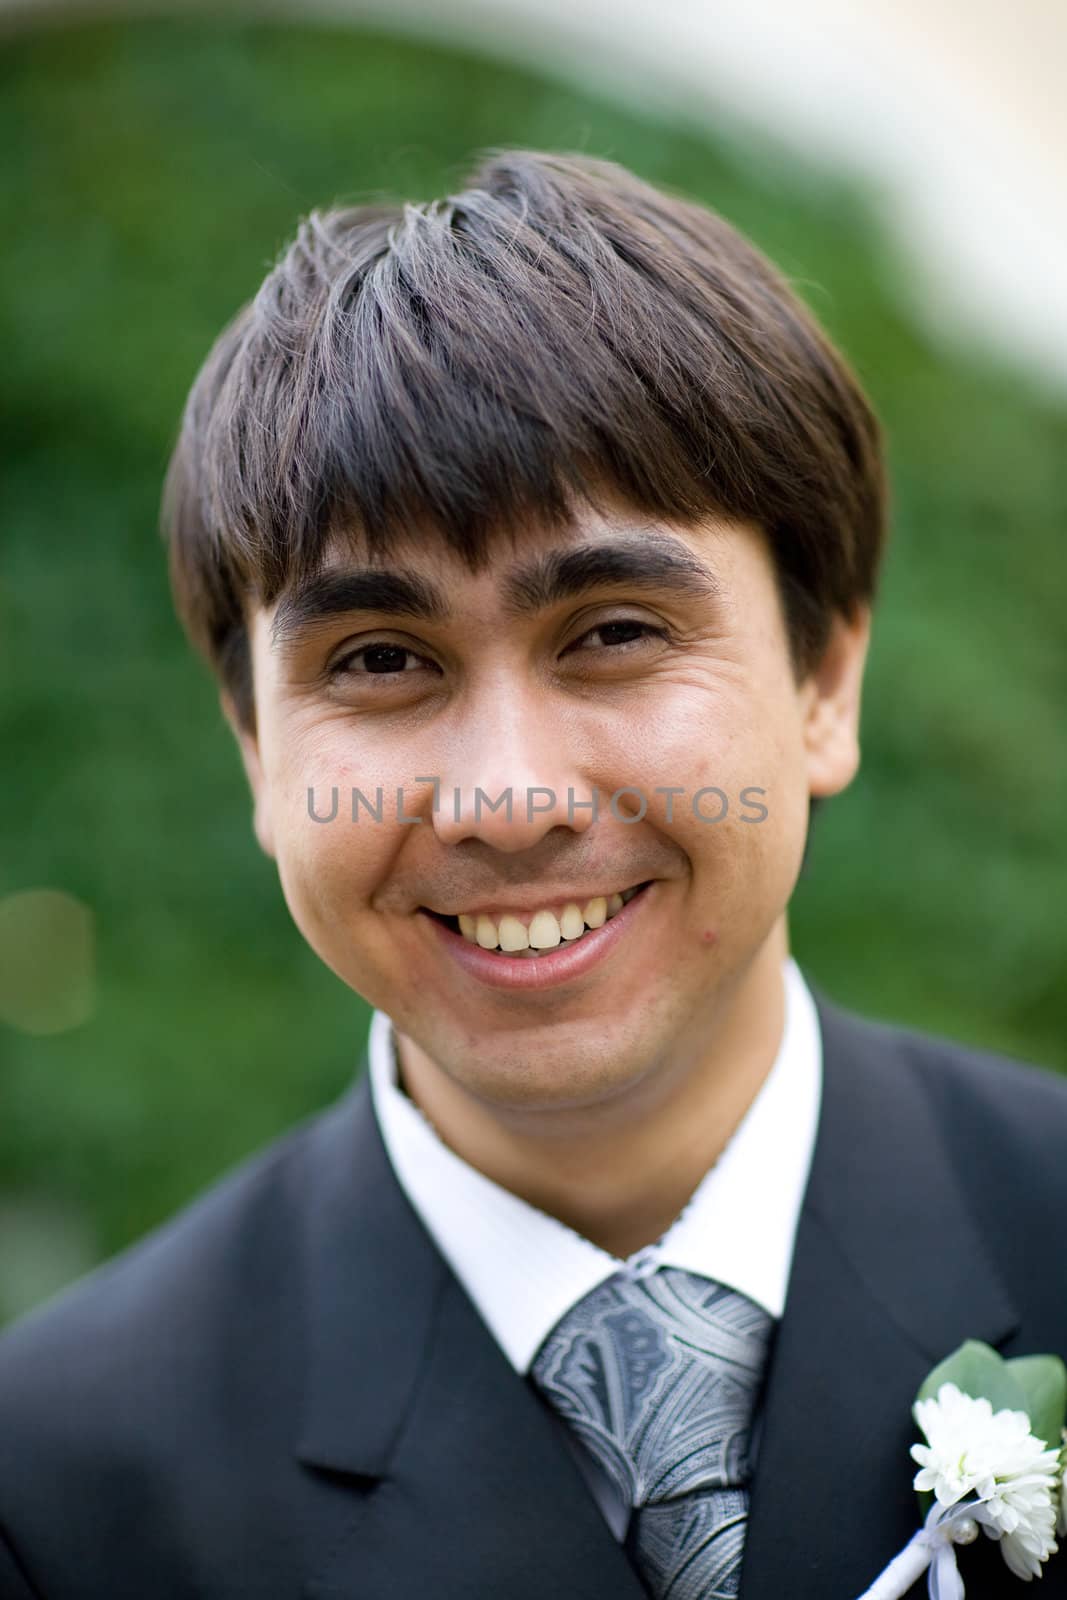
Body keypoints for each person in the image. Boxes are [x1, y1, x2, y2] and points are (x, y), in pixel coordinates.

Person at [1, 148, 1064, 1600]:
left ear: (825, 678)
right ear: (255, 750)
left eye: (614, 632)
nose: (508, 799)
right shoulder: (59, 1485)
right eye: (380, 661)